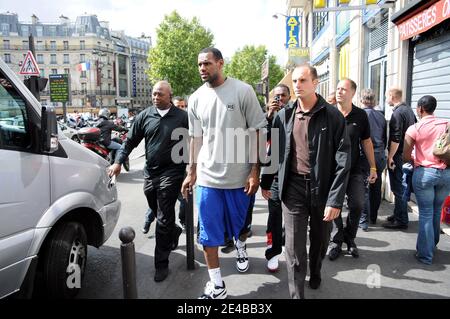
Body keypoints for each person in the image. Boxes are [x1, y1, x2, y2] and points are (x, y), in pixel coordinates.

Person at [181, 47, 266, 299]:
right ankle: (217, 286)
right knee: (208, 234)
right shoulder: (195, 97)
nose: (202, 69)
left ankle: (241, 245)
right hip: (208, 178)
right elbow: (195, 137)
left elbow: (258, 132)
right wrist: (191, 171)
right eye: (199, 65)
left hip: (239, 178)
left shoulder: (243, 90)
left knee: (239, 227)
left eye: (206, 63)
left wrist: (254, 171)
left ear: (220, 63)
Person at [261, 64, 350, 299]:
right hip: (293, 189)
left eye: (302, 81)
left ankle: (317, 270)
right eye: (295, 82)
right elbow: (276, 152)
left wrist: (335, 200)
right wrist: (266, 182)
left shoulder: (332, 116)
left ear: (315, 83)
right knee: (294, 248)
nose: (297, 86)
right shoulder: (284, 115)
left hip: (323, 189)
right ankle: (296, 294)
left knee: (320, 241)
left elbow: (343, 160)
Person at [109, 81, 188, 283]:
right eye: (153, 94)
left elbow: (195, 141)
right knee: (157, 208)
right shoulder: (145, 116)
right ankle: (175, 230)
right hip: (150, 173)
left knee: (162, 217)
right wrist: (118, 162)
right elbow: (129, 142)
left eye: (160, 94)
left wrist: (192, 169)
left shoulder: (182, 117)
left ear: (169, 96)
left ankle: (161, 264)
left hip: (173, 172)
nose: (155, 97)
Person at [328, 79, 377, 261]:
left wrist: (373, 166)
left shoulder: (361, 115)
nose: (339, 92)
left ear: (353, 93)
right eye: (338, 88)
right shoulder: (329, 114)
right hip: (332, 171)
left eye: (344, 89)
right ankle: (336, 241)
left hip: (355, 168)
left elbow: (366, 141)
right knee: (335, 206)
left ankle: (350, 238)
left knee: (357, 204)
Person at [403, 95, 450, 265]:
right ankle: (432, 245)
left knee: (426, 214)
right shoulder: (446, 124)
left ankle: (425, 255)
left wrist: (414, 161)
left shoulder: (414, 128)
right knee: (437, 211)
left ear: (420, 109)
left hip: (425, 174)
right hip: (446, 174)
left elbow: (406, 155)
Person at [260, 84, 293, 272]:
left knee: (292, 217)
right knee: (274, 215)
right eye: (277, 96)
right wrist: (270, 116)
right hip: (274, 176)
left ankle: (290, 249)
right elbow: (265, 143)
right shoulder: (268, 117)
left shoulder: (296, 113)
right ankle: (273, 252)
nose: (280, 99)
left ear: (289, 97)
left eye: (283, 96)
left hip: (293, 176)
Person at [383, 88, 416, 229]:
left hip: (398, 155)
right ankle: (398, 214)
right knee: (400, 187)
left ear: (392, 96)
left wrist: (390, 156)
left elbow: (396, 137)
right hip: (405, 154)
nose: (386, 100)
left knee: (398, 188)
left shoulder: (397, 113)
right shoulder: (409, 110)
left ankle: (401, 220)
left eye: (386, 97)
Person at [358, 89, 387, 231]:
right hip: (380, 154)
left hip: (366, 155)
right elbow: (384, 138)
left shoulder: (360, 114)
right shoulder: (381, 116)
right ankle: (373, 216)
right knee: (376, 186)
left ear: (362, 99)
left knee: (363, 187)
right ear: (374, 100)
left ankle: (364, 220)